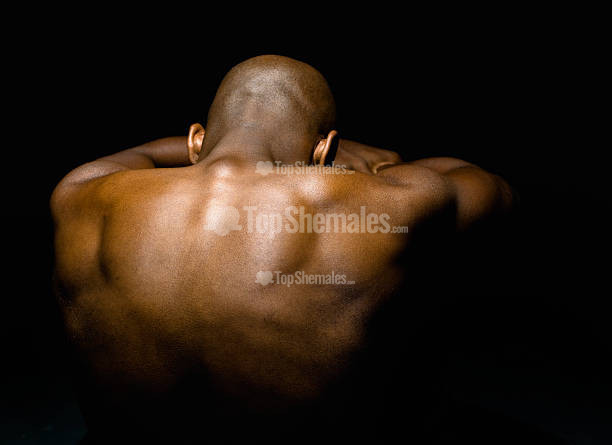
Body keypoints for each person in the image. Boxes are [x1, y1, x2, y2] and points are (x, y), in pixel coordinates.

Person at [51, 55, 514, 443]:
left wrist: (216, 146)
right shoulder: (393, 203)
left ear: (195, 139)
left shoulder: (80, 192)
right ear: (324, 150)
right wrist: (364, 161)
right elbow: (488, 185)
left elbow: (148, 153)